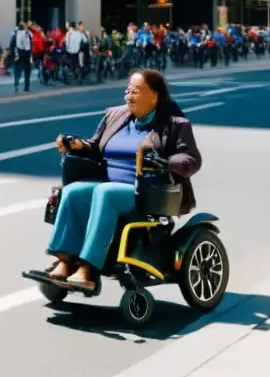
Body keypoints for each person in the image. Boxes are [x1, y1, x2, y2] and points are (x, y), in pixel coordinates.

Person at [26, 69, 201, 291]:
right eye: (127, 90)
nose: (129, 96)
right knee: (73, 191)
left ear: (155, 96)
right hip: (106, 183)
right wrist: (79, 145)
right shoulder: (115, 116)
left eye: (136, 91)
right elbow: (95, 146)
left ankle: (88, 269)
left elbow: (191, 159)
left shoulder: (175, 125)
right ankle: (64, 260)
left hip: (145, 190)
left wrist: (165, 162)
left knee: (104, 193)